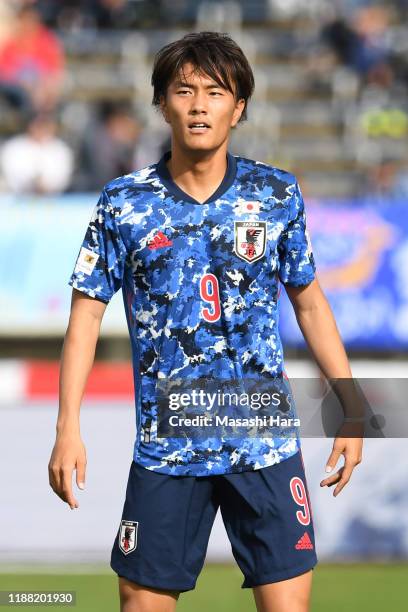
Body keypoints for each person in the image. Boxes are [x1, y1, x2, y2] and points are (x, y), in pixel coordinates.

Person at [48, 31, 363, 612]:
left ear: (238, 106)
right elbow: (85, 317)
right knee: (141, 605)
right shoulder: (124, 202)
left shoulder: (275, 193)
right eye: (184, 90)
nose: (198, 105)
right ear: (162, 102)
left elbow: (311, 303)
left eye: (215, 92)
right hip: (168, 448)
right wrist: (68, 424)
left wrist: (352, 405)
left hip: (264, 443)